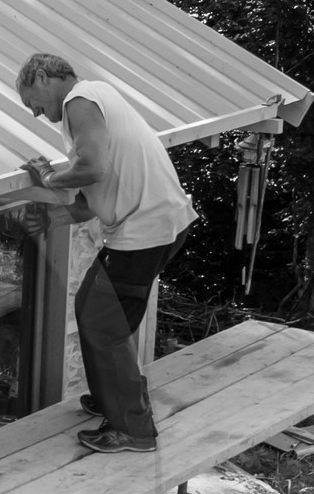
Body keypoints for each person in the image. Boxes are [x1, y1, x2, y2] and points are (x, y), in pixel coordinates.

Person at [15, 53, 195, 454]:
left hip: (144, 233)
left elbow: (92, 169)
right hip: (157, 226)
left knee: (103, 325)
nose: (37, 114)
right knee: (92, 309)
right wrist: (50, 219)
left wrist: (47, 176)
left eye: (33, 103)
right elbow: (89, 201)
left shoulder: (80, 100)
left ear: (43, 78)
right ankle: (111, 399)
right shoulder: (96, 103)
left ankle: (133, 428)